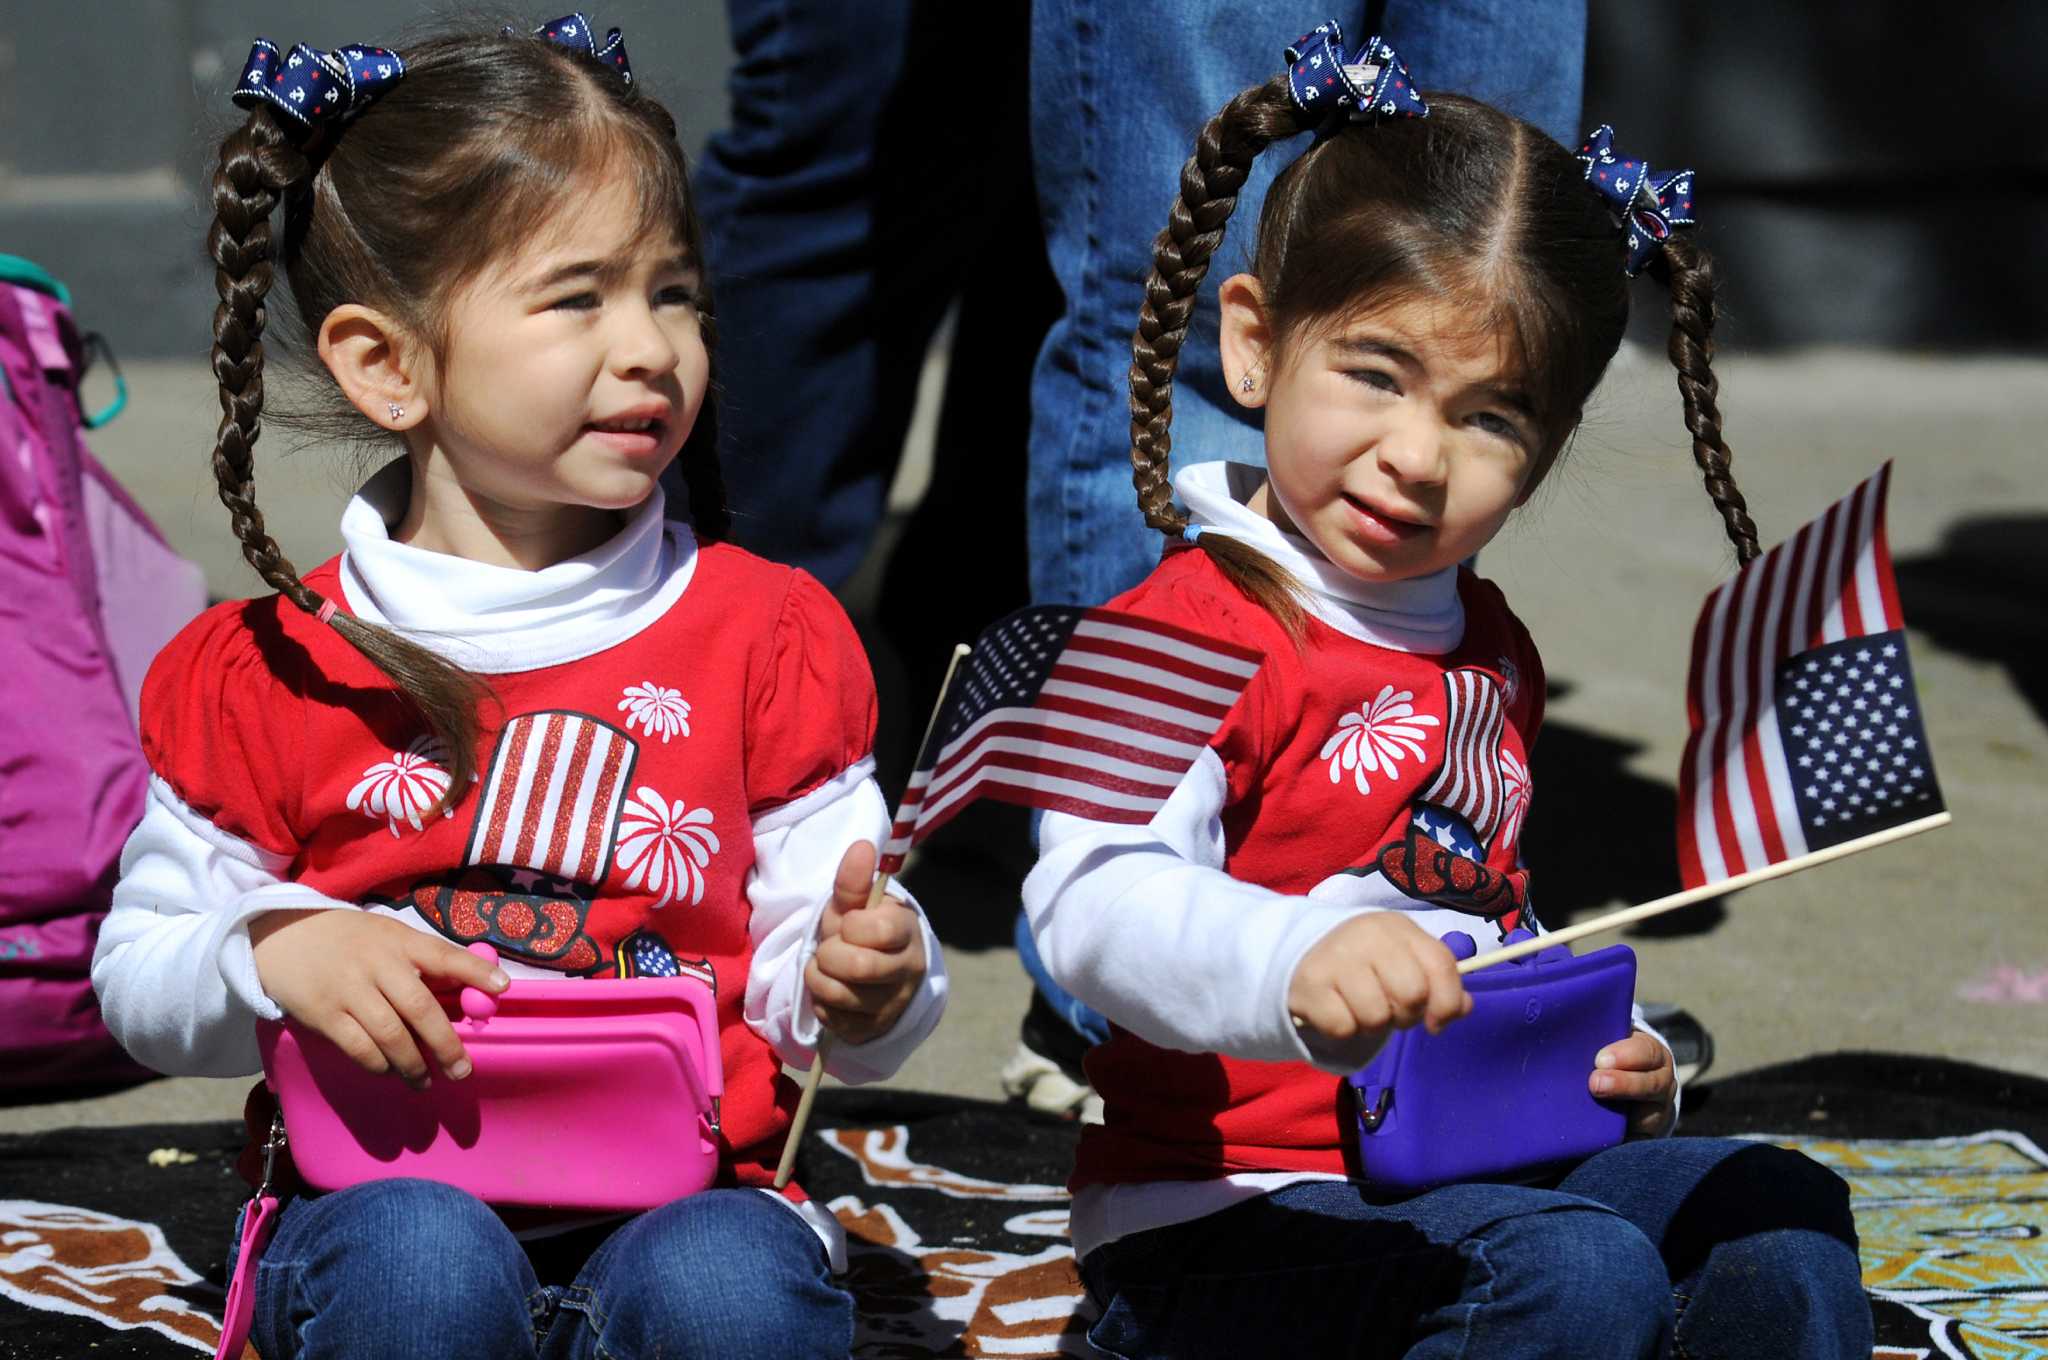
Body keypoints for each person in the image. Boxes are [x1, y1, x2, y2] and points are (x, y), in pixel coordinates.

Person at [89, 18, 944, 1360]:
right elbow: (138, 980)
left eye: (674, 292)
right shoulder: (268, 669)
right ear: (390, 366)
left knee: (733, 1298)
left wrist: (877, 982)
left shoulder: (764, 635)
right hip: (377, 1195)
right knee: (423, 1276)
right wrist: (265, 948)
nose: (651, 345)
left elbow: (820, 961)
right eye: (578, 296)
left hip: (690, 1191)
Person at [1020, 28, 1870, 1359]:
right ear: (1253, 347)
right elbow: (1088, 905)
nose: (1419, 456)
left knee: (1775, 1205)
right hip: (1215, 1218)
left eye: (1493, 417)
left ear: (1545, 453)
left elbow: (1478, 909)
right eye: (1377, 374)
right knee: (1575, 1277)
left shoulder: (1491, 647)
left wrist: (1615, 1043)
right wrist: (1293, 960)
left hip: (1464, 1173)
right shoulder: (1171, 631)